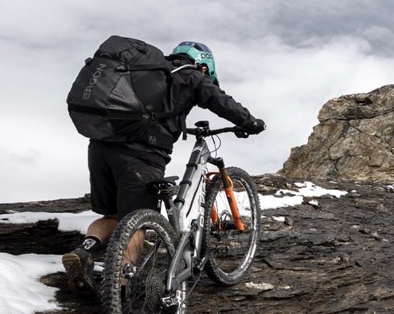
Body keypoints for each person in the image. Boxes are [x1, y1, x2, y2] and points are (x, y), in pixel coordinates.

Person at [62, 40, 265, 292]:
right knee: (136, 223)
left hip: (100, 147)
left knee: (112, 217)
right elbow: (221, 101)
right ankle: (121, 293)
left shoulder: (146, 71)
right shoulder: (191, 75)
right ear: (204, 66)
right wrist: (250, 122)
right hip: (142, 154)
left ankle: (84, 251)